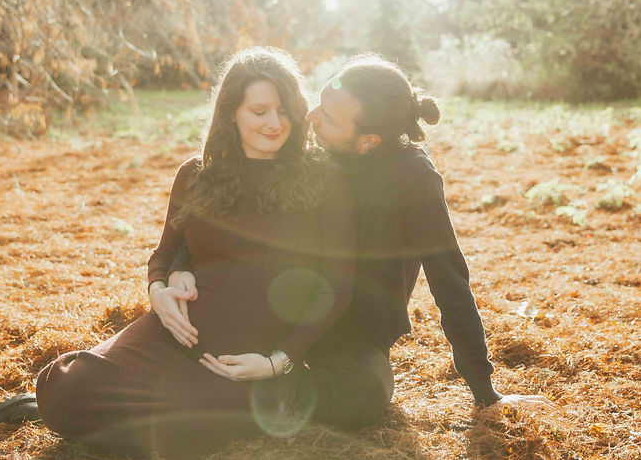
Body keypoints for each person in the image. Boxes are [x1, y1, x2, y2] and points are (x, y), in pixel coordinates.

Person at [0, 47, 357, 460]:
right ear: (231, 112)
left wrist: (279, 362)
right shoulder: (196, 175)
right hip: (176, 335)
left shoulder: (323, 179)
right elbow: (163, 253)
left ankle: (117, 415)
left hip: (245, 360)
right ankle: (70, 408)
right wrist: (158, 291)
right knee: (67, 388)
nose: (274, 123)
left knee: (193, 428)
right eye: (259, 111)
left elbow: (339, 287)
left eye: (285, 111)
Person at [164, 53, 552, 432]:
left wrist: (485, 391)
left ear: (368, 141)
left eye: (328, 118)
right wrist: (180, 262)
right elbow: (224, 215)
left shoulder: (411, 178)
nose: (310, 118)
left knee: (361, 396)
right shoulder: (306, 151)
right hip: (277, 307)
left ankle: (269, 386)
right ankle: (240, 379)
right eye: (318, 103)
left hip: (349, 330)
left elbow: (449, 280)